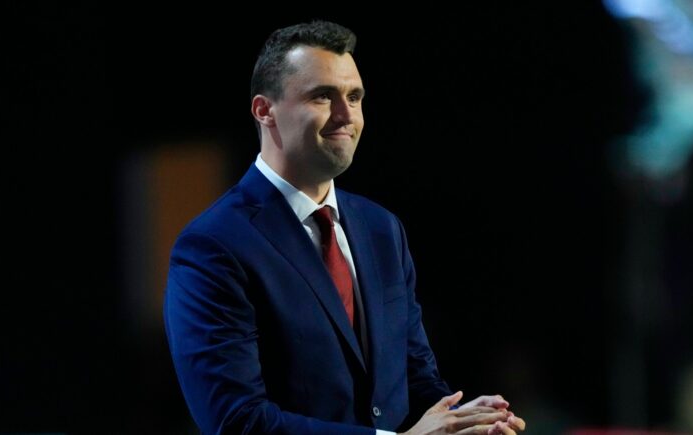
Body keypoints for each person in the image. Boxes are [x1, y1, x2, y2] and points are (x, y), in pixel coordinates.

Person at [163, 20, 526, 435]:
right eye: (323, 96)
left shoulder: (381, 229)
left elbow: (415, 382)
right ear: (265, 111)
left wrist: (465, 421)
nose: (345, 115)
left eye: (355, 97)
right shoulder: (213, 245)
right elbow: (236, 421)